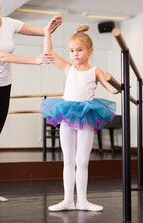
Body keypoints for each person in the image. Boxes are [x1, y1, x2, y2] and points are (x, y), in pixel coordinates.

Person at [0, 0, 61, 206]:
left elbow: (40, 31)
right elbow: (1, 55)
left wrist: (48, 28)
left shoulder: (9, 23)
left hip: (4, 87)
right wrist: (34, 61)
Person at [40, 19, 118, 212]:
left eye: (79, 50)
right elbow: (49, 54)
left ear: (89, 51)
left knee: (82, 161)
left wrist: (116, 83)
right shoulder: (69, 68)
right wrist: (47, 32)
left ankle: (82, 200)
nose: (75, 54)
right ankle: (68, 200)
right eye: (72, 50)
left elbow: (112, 90)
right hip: (67, 116)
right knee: (68, 160)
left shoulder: (94, 70)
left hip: (86, 117)